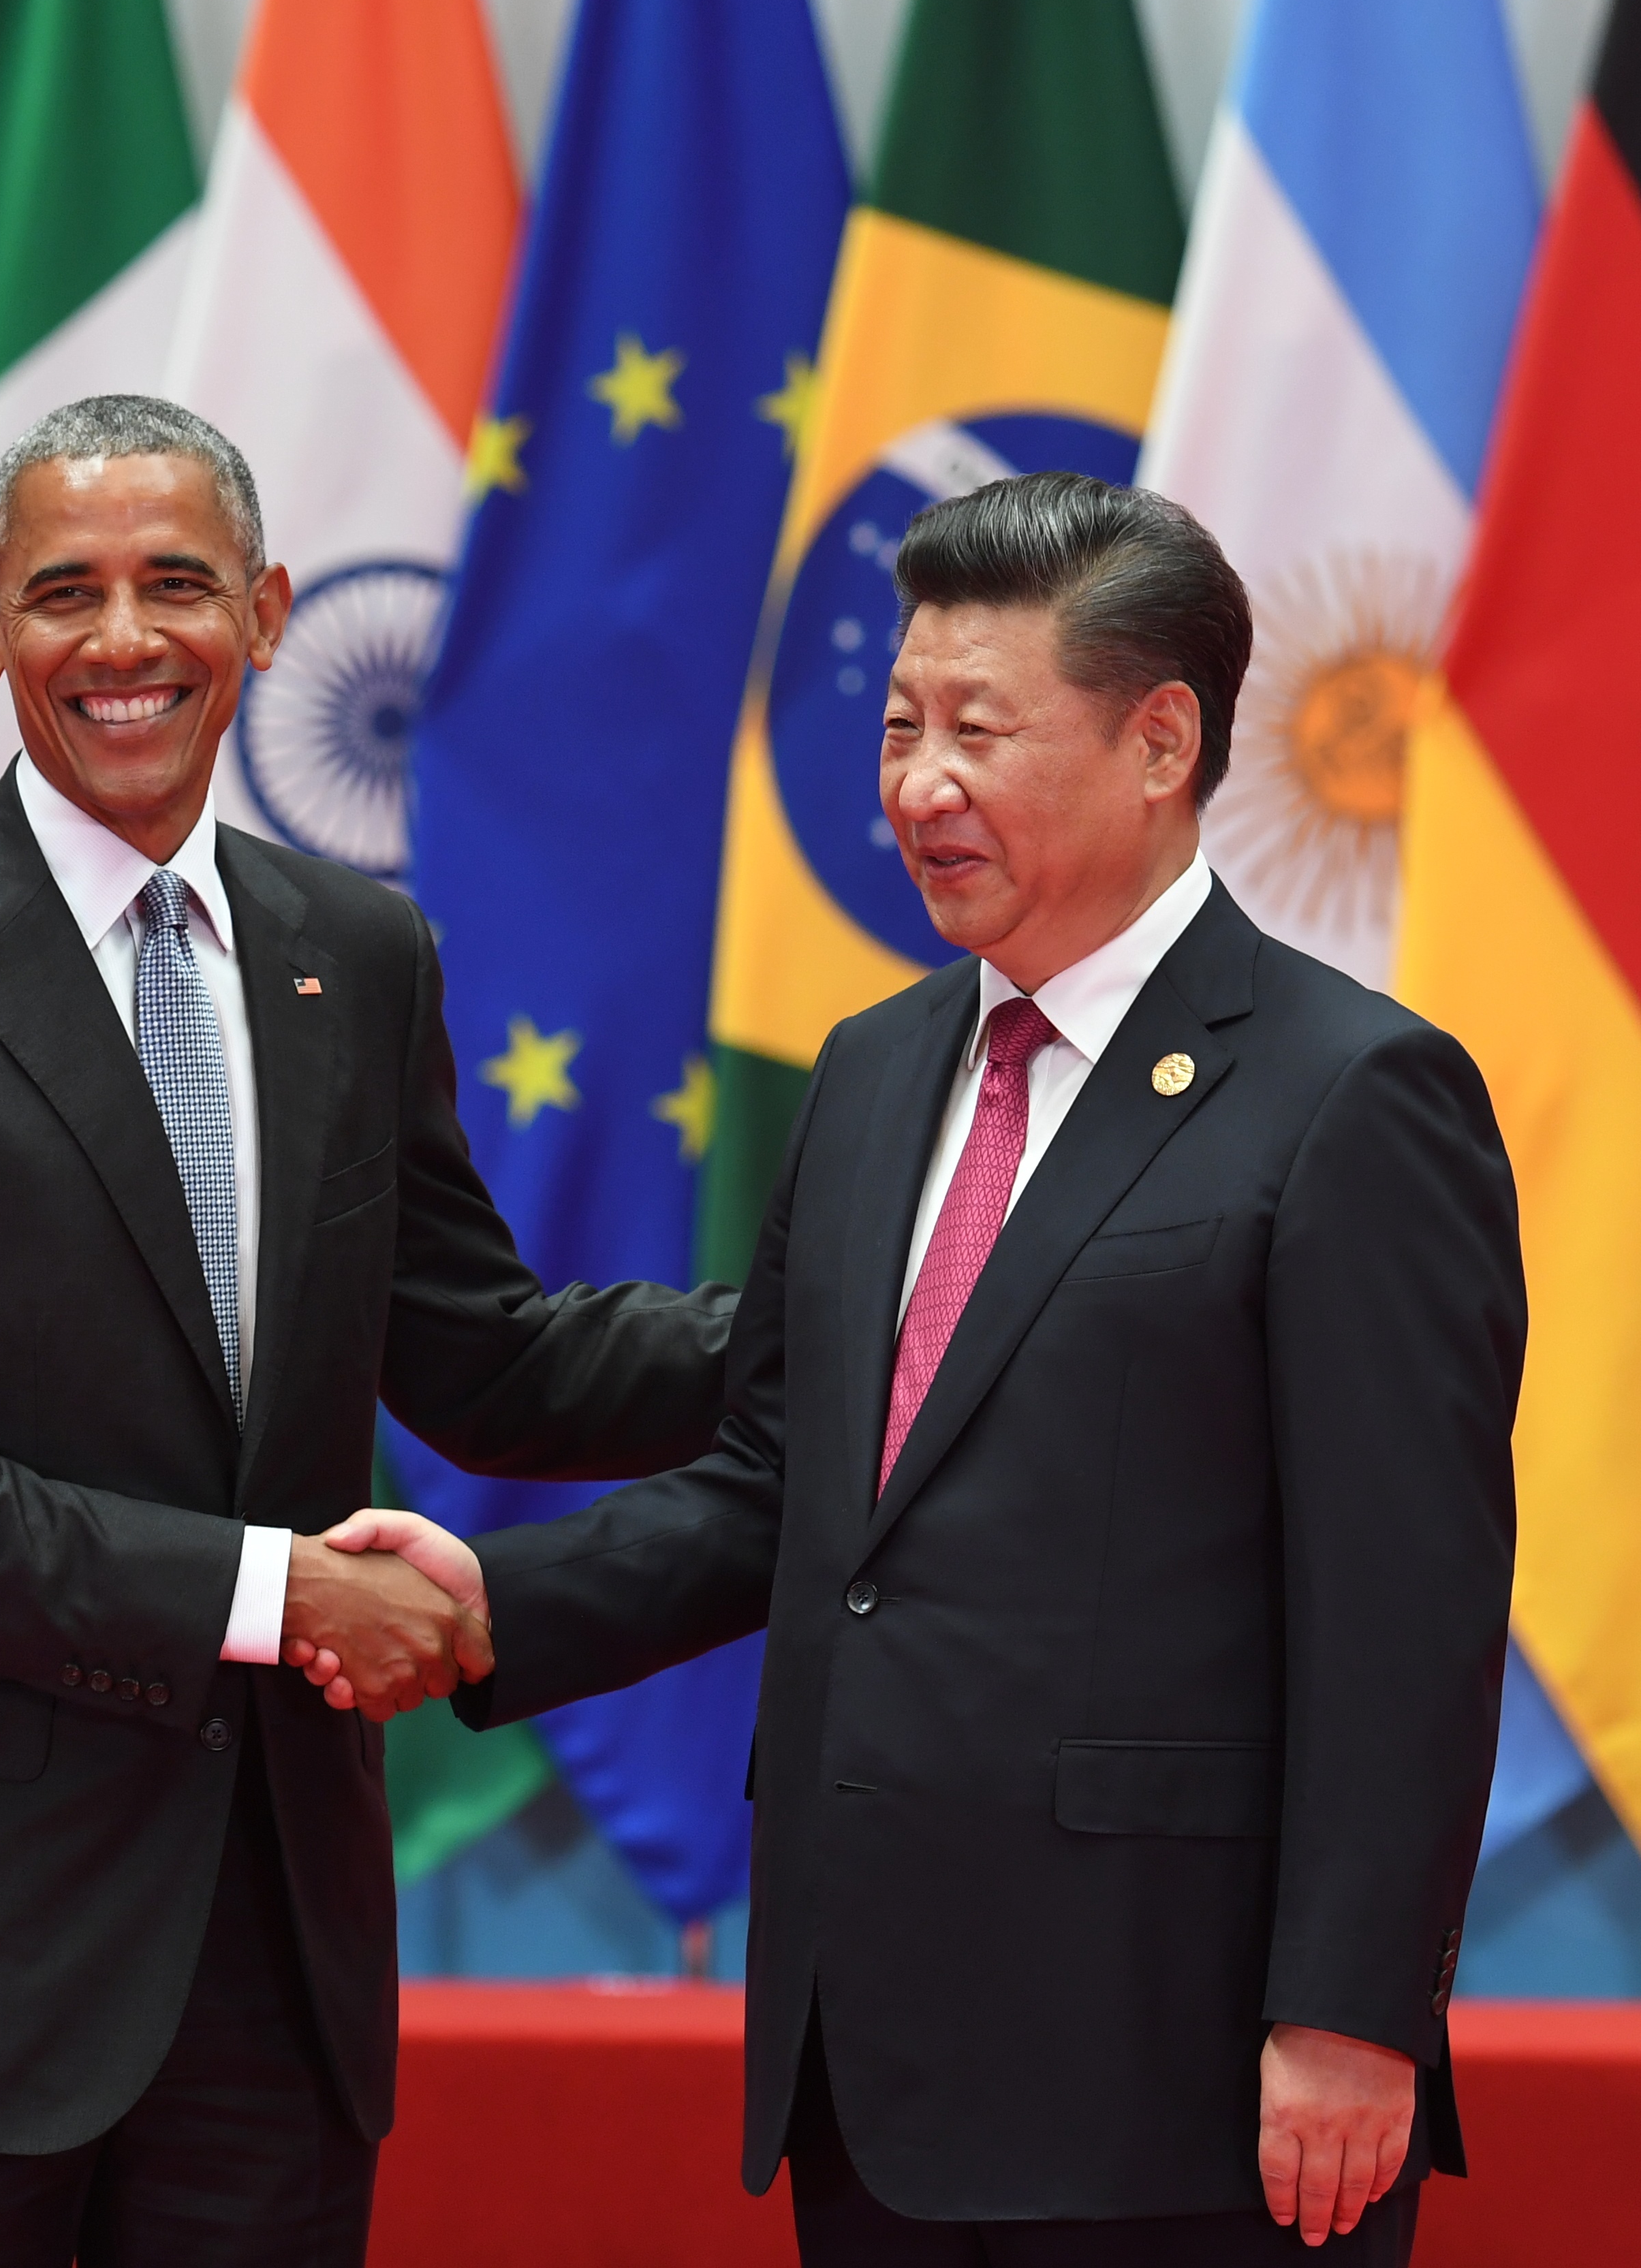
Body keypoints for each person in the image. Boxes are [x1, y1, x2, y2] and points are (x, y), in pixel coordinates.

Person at [322, 473, 1522, 2262]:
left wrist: (1351, 2014)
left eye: (979, 730)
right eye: (900, 727)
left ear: (1160, 742)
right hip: (871, 2054)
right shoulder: (877, 1069)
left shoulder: (1351, 1096)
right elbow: (791, 1478)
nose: (918, 786)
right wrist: (495, 1604)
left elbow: (1407, 1609)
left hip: (1179, 2066)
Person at [0, 393, 731, 2268]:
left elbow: (488, 1360)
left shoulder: (360, 952)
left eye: (176, 585)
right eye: (63, 594)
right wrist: (274, 1595)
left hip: (273, 1946)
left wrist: (861, 1312)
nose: (124, 641)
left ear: (266, 613)